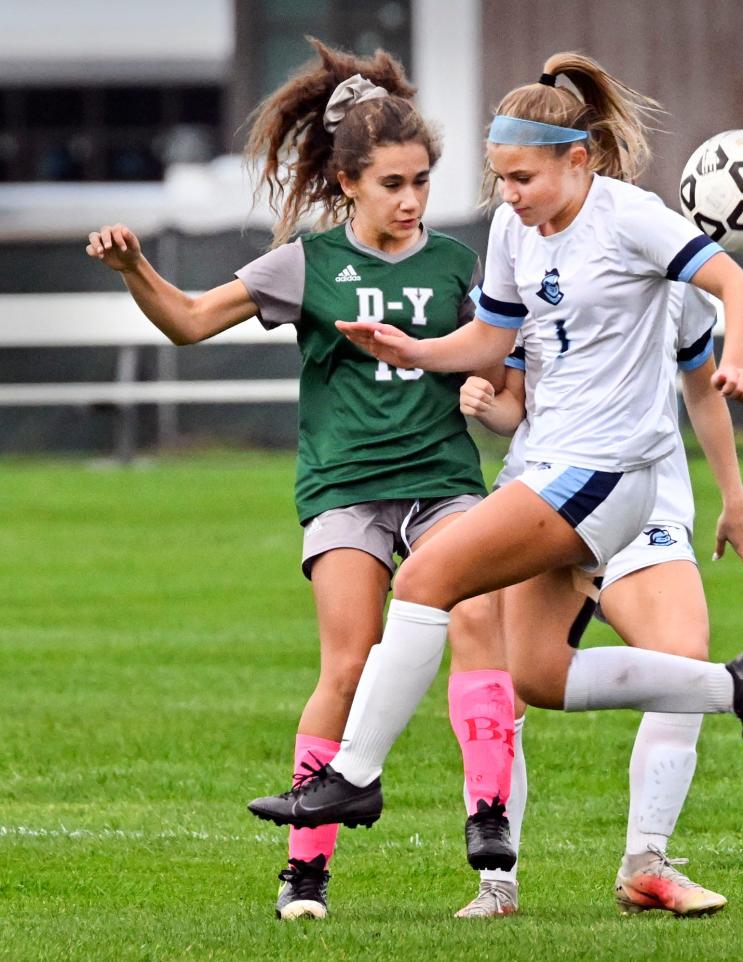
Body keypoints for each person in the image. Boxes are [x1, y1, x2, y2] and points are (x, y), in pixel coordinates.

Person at [247, 53, 743, 882]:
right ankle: (740, 691)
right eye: (498, 177)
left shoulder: (630, 218)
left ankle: (354, 777)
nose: (506, 194)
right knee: (540, 676)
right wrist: (417, 348)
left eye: (522, 177)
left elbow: (738, 288)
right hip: (541, 467)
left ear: (577, 161)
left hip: (606, 473)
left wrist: (740, 362)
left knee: (427, 580)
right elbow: (489, 342)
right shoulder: (515, 228)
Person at [85, 40, 518, 922]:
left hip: (444, 484)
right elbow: (190, 321)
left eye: (423, 181)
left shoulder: (457, 266)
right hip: (348, 491)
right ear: (349, 180)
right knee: (349, 663)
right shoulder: (305, 265)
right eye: (393, 183)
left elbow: (502, 381)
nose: (411, 199)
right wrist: (137, 270)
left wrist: (492, 393)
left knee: (477, 616)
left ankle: (490, 833)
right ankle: (304, 875)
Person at [454, 279, 743, 918]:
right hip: (544, 491)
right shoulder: (521, 258)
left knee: (684, 659)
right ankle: (497, 881)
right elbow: (510, 401)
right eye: (514, 176)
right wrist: (484, 398)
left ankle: (646, 863)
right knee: (506, 670)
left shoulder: (662, 260)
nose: (520, 191)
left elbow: (701, 387)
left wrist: (734, 498)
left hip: (644, 500)